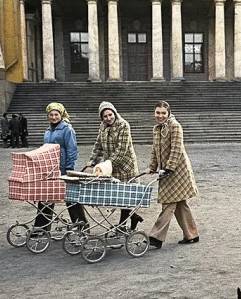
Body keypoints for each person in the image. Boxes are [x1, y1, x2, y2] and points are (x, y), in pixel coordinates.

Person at [147, 100, 199, 249]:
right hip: (166, 171)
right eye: (158, 113)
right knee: (180, 204)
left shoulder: (175, 126)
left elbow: (177, 148)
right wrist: (152, 166)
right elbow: (155, 149)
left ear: (168, 113)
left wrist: (169, 168)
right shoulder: (157, 129)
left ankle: (156, 237)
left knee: (168, 203)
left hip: (178, 171)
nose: (160, 116)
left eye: (163, 113)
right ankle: (192, 235)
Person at [87, 101, 143, 230]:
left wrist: (107, 163)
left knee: (125, 196)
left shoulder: (123, 125)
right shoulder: (102, 126)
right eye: (105, 116)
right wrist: (93, 159)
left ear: (115, 113)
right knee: (119, 196)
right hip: (111, 166)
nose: (108, 118)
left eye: (110, 115)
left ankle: (122, 225)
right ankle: (133, 217)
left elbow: (121, 149)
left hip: (126, 166)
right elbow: (98, 144)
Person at [33, 103, 88, 232]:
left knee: (71, 198)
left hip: (64, 168)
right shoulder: (48, 130)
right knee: (46, 196)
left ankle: (82, 226)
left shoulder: (67, 129)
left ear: (61, 115)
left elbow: (72, 149)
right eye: (51, 115)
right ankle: (41, 228)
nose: (54, 117)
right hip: (50, 169)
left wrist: (70, 168)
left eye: (56, 114)